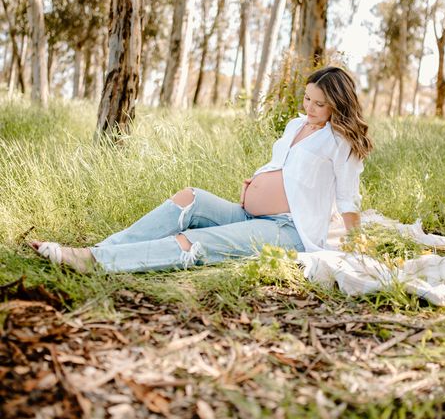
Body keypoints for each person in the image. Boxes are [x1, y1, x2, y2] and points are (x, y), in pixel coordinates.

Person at [29, 66, 373, 273]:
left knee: (194, 241)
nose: (309, 107)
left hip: (289, 231)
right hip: (252, 215)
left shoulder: (340, 141)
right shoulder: (297, 124)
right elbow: (282, 164)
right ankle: (104, 248)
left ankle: (94, 262)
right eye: (307, 98)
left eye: (319, 103)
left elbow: (347, 198)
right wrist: (254, 181)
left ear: (337, 104)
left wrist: (357, 244)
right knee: (189, 198)